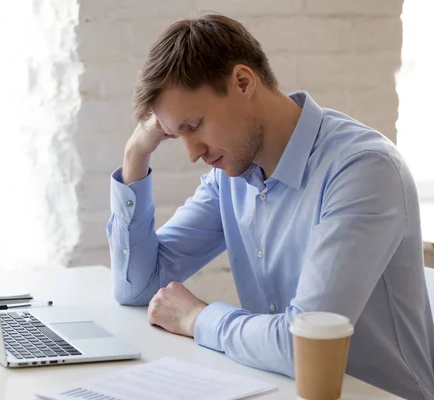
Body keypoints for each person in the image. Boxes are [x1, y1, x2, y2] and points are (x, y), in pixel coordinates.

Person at [106, 13, 434, 399]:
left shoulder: (362, 170)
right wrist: (135, 155)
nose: (192, 153)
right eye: (176, 135)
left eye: (194, 126)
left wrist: (197, 318)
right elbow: (138, 286)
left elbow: (303, 345)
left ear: (243, 82)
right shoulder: (232, 176)